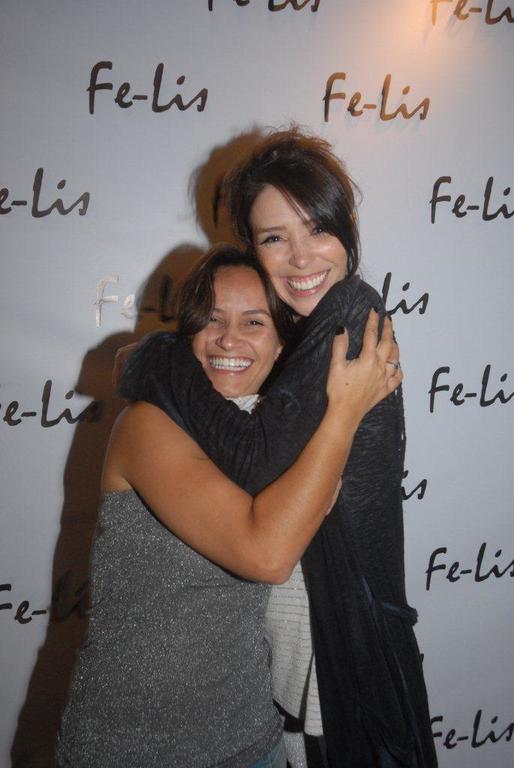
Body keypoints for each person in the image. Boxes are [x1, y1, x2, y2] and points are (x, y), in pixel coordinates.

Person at [119, 128, 437, 768]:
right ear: (251, 250)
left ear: (346, 235)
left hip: (351, 673)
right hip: (293, 688)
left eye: (316, 229)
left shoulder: (352, 312)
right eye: (273, 238)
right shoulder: (296, 348)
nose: (300, 258)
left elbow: (258, 462)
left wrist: (154, 358)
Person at [57, 245, 400, 768]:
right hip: (129, 750)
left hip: (251, 744)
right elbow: (266, 553)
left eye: (254, 322)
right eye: (212, 320)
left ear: (284, 343)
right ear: (187, 334)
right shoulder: (150, 424)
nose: (229, 339)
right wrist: (344, 414)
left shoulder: (277, 438)